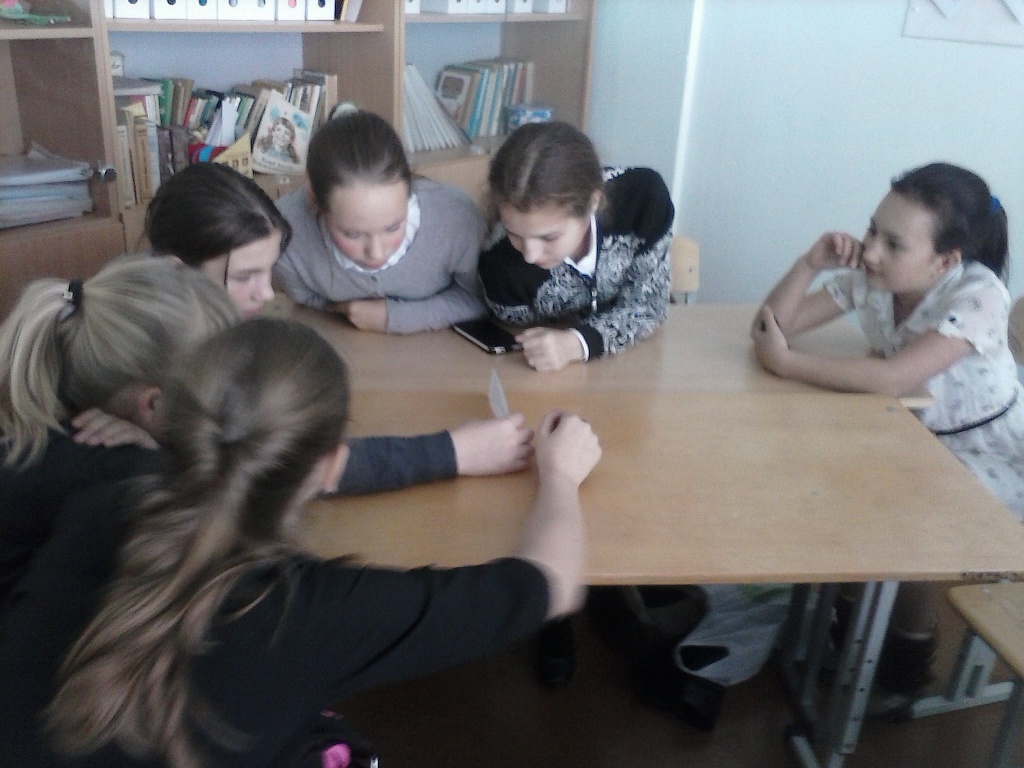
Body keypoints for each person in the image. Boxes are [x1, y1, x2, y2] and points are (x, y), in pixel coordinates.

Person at [0, 317, 601, 767]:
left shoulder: (95, 501)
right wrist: (559, 476)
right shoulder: (310, 611)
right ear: (335, 463)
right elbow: (551, 585)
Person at [751, 161, 1024, 711]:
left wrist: (786, 363)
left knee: (905, 530)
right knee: (844, 495)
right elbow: (772, 326)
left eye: (893, 243)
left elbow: (895, 377)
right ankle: (850, 634)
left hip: (988, 452)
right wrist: (810, 263)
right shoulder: (874, 279)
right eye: (872, 230)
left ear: (946, 260)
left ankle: (904, 660)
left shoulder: (980, 294)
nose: (871, 250)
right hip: (911, 434)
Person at [138, 162, 533, 491]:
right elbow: (290, 465)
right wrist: (457, 451)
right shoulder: (168, 363)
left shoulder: (196, 325)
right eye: (244, 277)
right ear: (177, 272)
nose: (266, 293)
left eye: (268, 271)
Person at [0, 256, 239, 612]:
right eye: (222, 395)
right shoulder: (114, 471)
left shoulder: (45, 408)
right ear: (152, 405)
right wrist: (156, 463)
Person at [477, 120, 675, 372]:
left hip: (640, 363)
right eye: (513, 233)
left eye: (549, 237)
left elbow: (648, 304)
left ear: (593, 202)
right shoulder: (498, 263)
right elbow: (522, 341)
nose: (529, 255)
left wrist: (579, 344)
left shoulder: (643, 200)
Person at [274, 107, 487, 334]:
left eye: (393, 227)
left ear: (410, 189)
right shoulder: (285, 231)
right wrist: (346, 312)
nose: (376, 253)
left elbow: (479, 299)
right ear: (315, 201)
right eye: (352, 234)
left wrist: (394, 317)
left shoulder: (456, 218)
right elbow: (305, 300)